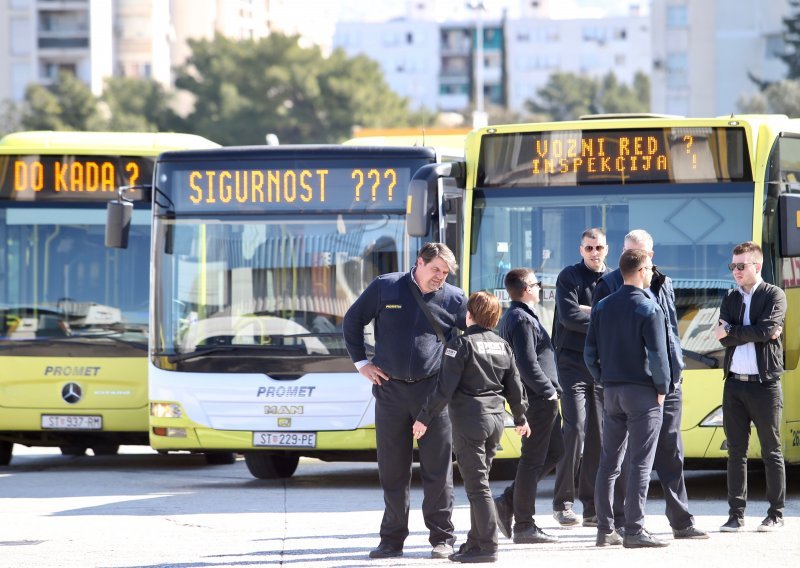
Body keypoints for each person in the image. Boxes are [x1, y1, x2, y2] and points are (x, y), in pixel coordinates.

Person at [342, 242, 468, 559]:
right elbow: (353, 320)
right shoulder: (386, 287)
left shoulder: (455, 299)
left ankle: (442, 538)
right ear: (419, 263)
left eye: (445, 272)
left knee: (438, 471)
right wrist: (361, 363)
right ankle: (391, 539)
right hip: (390, 392)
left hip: (434, 395)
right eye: (435, 269)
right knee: (393, 470)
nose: (440, 276)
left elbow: (466, 344)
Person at [592, 229, 708, 541]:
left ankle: (681, 521)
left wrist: (672, 376)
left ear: (651, 256)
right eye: (632, 251)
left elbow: (670, 331)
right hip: (638, 385)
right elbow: (598, 338)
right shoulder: (609, 285)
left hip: (666, 381)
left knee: (671, 451)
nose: (640, 258)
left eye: (643, 252)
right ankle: (621, 524)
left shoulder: (664, 282)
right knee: (626, 459)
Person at [412, 291, 531, 564]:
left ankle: (487, 546)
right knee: (482, 484)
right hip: (496, 422)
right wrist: (522, 419)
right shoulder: (503, 345)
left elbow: (444, 388)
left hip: (470, 422)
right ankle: (475, 541)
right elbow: (516, 389)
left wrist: (424, 417)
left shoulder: (460, 345)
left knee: (477, 488)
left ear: (469, 315)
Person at [585, 248, 671, 548]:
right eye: (650, 268)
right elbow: (659, 356)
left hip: (611, 391)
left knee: (609, 463)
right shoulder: (650, 307)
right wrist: (663, 388)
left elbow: (589, 354)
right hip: (642, 392)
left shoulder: (603, 306)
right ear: (641, 270)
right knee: (640, 464)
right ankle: (634, 530)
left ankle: (605, 529)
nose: (652, 273)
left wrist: (604, 380)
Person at [715, 241, 787, 532]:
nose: (736, 271)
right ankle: (736, 514)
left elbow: (769, 329)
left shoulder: (774, 294)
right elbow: (721, 337)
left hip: (764, 385)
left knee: (771, 450)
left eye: (741, 266)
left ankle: (776, 513)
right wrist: (750, 332)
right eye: (733, 266)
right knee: (735, 452)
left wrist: (734, 331)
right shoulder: (730, 297)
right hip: (734, 384)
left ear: (756, 266)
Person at [492, 268, 563, 545]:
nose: (539, 287)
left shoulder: (522, 315)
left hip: (542, 398)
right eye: (536, 283)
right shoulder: (520, 319)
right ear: (527, 289)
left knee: (556, 451)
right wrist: (547, 392)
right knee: (533, 460)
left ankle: (508, 501)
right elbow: (526, 363)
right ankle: (524, 525)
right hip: (538, 399)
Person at [551, 227, 610, 527]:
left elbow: (620, 316)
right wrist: (601, 315)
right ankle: (563, 503)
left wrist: (590, 311)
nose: (594, 253)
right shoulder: (568, 277)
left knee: (599, 435)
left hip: (600, 366)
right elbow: (568, 317)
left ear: (606, 249)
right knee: (574, 428)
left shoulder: (613, 279)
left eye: (598, 247)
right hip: (571, 363)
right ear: (581, 250)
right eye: (589, 248)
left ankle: (591, 507)